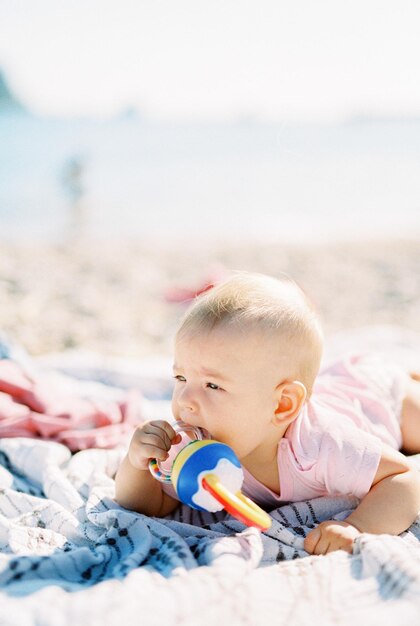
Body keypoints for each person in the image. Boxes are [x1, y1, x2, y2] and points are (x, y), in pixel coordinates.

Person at [115, 272, 420, 555]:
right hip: (329, 387)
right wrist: (137, 464)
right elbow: (150, 505)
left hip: (376, 393)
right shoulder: (199, 449)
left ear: (282, 405)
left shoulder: (321, 444)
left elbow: (405, 477)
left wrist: (357, 527)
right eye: (181, 378)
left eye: (212, 385)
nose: (186, 401)